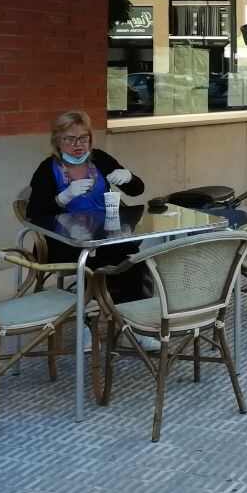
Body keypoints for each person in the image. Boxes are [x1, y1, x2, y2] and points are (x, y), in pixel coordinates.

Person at [27, 111, 156, 350]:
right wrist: (63, 197)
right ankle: (86, 327)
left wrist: (128, 177)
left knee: (134, 261)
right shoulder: (48, 168)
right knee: (91, 266)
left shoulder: (100, 160)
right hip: (65, 240)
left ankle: (134, 327)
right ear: (58, 141)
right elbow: (34, 213)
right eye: (70, 139)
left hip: (107, 233)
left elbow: (137, 190)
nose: (78, 144)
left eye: (83, 137)